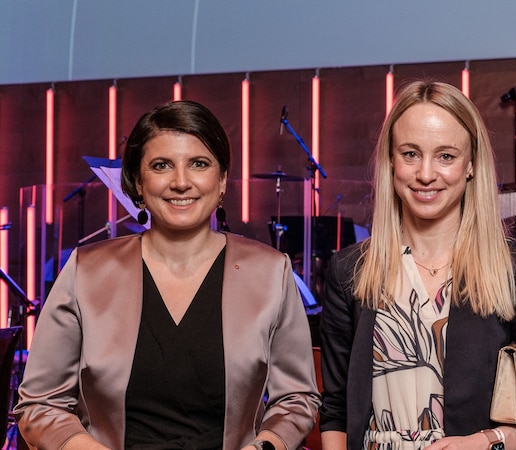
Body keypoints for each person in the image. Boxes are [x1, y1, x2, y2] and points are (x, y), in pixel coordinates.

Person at [14, 100, 321, 450]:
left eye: (199, 164)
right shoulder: (86, 271)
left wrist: (263, 447)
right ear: (138, 183)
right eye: (162, 166)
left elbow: (297, 399)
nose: (180, 182)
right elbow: (39, 403)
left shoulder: (270, 273)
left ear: (221, 181)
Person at [318, 80, 516, 450]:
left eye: (446, 156)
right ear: (391, 160)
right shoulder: (351, 270)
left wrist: (487, 442)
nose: (425, 174)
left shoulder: (511, 268)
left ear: (471, 166)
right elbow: (336, 410)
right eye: (410, 154)